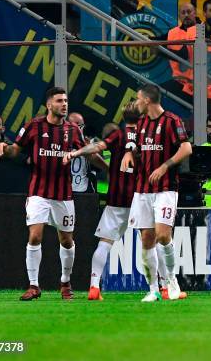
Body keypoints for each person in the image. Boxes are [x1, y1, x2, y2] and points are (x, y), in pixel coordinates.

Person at [0, 87, 84, 301]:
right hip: (38, 192)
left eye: (65, 100)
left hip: (64, 194)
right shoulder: (34, 126)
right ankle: (34, 285)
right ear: (49, 104)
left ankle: (65, 282)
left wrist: (108, 169)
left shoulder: (73, 130)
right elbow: (16, 149)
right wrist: (4, 148)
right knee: (35, 236)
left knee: (66, 241)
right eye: (59, 101)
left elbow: (87, 151)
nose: (64, 104)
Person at [121, 84, 192, 302]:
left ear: (148, 100)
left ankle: (171, 281)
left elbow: (186, 148)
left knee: (163, 235)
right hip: (142, 189)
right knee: (146, 240)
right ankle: (153, 289)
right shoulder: (139, 123)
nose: (136, 102)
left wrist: (164, 167)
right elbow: (133, 143)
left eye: (138, 98)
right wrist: (129, 153)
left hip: (166, 188)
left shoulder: (172, 121)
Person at [63, 102, 139, 301]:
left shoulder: (118, 134)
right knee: (155, 242)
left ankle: (94, 286)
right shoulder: (149, 135)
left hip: (117, 198)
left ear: (123, 117)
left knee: (104, 244)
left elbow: (97, 147)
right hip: (142, 196)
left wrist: (78, 152)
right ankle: (162, 287)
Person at [161, 2, 199, 99]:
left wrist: (159, 51)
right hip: (179, 81)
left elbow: (183, 55)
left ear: (195, 13)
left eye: (189, 12)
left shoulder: (203, 31)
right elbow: (157, 39)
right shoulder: (172, 32)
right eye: (183, 13)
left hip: (199, 83)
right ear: (179, 16)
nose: (186, 15)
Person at [67, 113, 107, 193]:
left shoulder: (94, 142)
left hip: (85, 189)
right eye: (77, 125)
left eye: (82, 125)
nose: (80, 128)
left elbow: (98, 168)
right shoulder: (60, 139)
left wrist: (88, 146)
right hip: (65, 189)